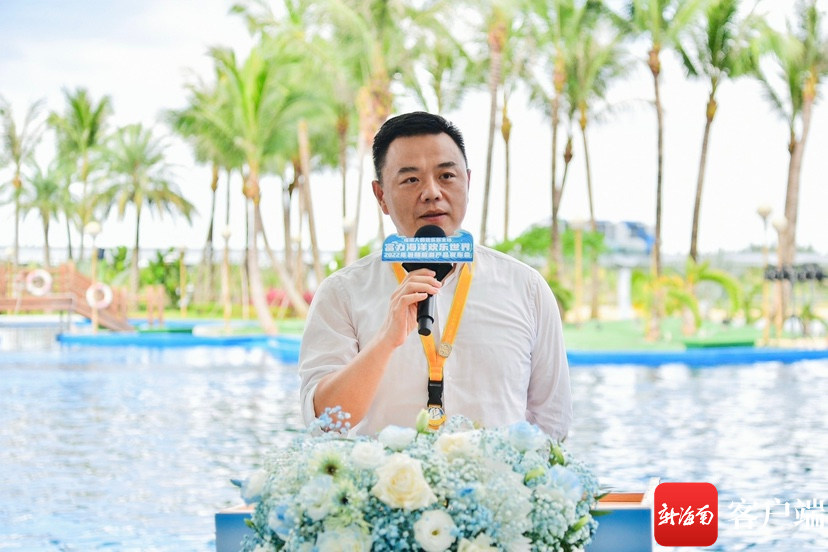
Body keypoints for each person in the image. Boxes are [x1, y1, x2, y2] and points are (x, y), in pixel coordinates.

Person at [299, 112, 572, 439]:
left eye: (446, 175)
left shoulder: (526, 288)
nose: (431, 192)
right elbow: (325, 424)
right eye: (410, 180)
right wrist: (385, 339)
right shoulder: (342, 293)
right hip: (383, 474)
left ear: (467, 183)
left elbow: (552, 423)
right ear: (381, 196)